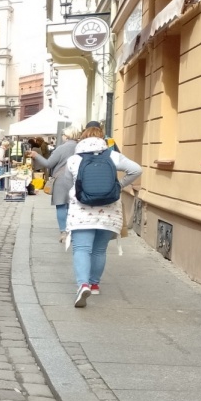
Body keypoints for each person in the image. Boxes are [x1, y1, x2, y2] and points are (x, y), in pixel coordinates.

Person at [63, 124, 142, 307]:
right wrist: (119, 185)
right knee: (99, 250)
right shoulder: (113, 156)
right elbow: (136, 169)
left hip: (81, 212)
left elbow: (68, 183)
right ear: (103, 138)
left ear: (82, 139)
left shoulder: (74, 160)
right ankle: (94, 283)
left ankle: (82, 285)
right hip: (108, 212)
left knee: (82, 249)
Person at [28, 128, 78, 242]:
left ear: (66, 136)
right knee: (73, 207)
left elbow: (48, 164)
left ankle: (64, 232)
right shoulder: (80, 147)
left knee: (61, 206)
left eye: (63, 135)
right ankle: (73, 231)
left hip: (62, 180)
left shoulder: (61, 148)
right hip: (77, 180)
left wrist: (36, 155)